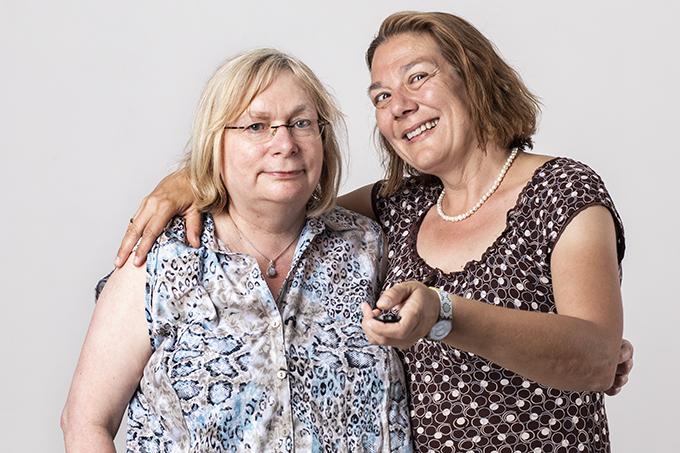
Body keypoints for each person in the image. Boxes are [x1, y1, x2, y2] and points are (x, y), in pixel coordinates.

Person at [113, 12, 634, 452]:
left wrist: (445, 315)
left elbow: (596, 360)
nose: (399, 105)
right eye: (381, 96)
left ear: (474, 76)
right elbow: (282, 204)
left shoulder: (560, 192)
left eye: (417, 77)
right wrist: (192, 179)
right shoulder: (403, 206)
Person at [61, 49, 412, 452]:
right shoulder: (159, 261)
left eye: (301, 123)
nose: (285, 144)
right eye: (257, 126)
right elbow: (85, 422)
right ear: (216, 142)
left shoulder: (369, 246)